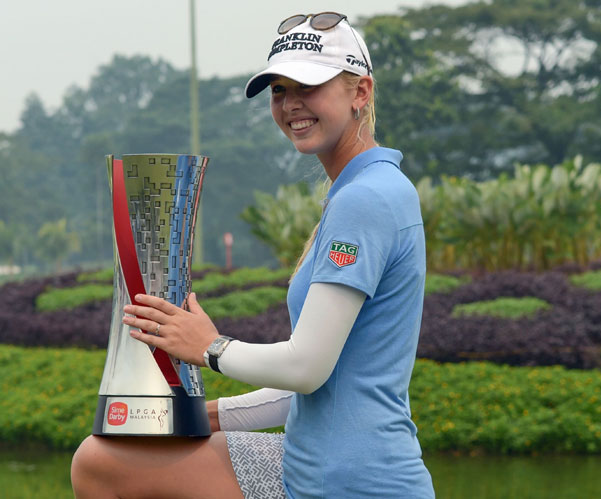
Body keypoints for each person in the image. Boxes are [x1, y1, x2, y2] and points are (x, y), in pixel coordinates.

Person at [71, 12, 434, 499]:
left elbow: (305, 368)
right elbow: (313, 385)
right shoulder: (368, 190)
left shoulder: (365, 199)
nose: (291, 104)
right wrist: (202, 413)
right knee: (104, 458)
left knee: (100, 464)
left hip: (349, 483)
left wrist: (209, 347)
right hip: (313, 465)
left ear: (360, 92)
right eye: (279, 90)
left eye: (309, 85)